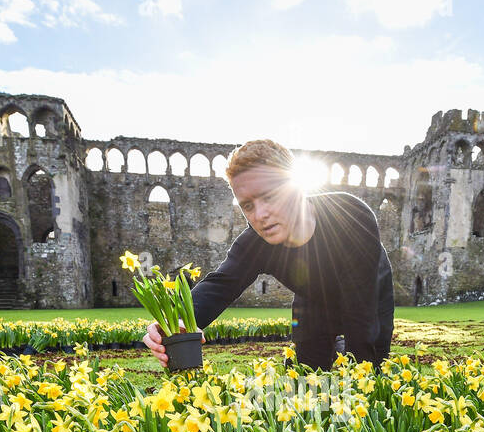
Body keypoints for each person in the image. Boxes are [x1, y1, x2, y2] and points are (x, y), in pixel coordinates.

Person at [143, 139, 394, 370]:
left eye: (270, 196)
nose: (260, 215)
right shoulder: (255, 242)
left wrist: (361, 373)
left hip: (369, 294)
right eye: (248, 206)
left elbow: (361, 317)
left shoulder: (350, 215)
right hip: (314, 299)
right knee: (307, 373)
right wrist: (172, 322)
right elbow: (220, 284)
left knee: (369, 367)